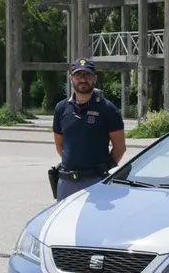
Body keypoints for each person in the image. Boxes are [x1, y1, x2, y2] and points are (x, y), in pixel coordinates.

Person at [51, 57, 126, 201]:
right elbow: (60, 146)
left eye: (87, 75)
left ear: (95, 78)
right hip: (66, 183)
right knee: (65, 222)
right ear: (71, 78)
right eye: (79, 75)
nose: (83, 80)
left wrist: (104, 170)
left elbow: (120, 148)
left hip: (96, 181)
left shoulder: (108, 109)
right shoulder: (61, 108)